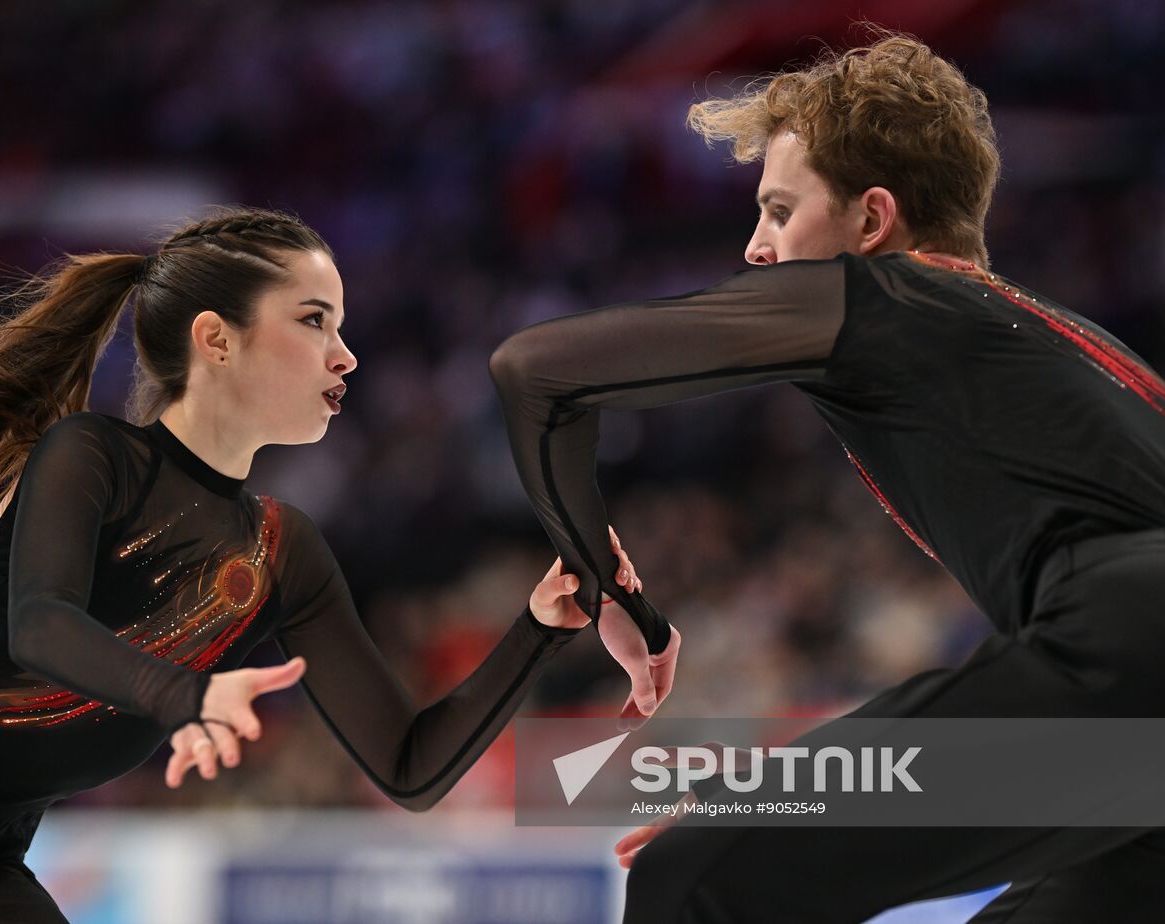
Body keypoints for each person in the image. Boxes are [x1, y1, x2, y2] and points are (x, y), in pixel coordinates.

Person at [0, 206, 643, 923]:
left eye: (342, 326)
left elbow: (410, 769)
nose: (346, 355)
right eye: (314, 321)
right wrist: (189, 695)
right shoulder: (92, 454)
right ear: (215, 340)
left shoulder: (280, 548)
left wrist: (536, 630)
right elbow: (39, 626)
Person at [489, 31, 1165, 922]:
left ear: (871, 221)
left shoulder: (883, 295)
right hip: (1130, 709)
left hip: (1127, 658)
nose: (755, 247)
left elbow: (536, 369)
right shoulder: (1062, 341)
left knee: (691, 878)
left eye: (777, 210)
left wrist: (608, 591)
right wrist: (790, 796)